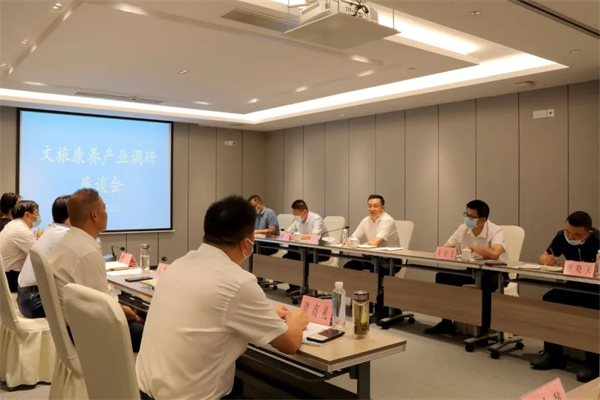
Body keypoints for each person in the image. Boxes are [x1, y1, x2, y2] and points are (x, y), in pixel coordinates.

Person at [136, 196, 309, 400]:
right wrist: (295, 319)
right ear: (246, 243)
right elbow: (289, 344)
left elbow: (212, 309)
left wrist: (266, 313)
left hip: (142, 392)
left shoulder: (178, 265)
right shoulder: (238, 282)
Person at [48, 189, 144, 351]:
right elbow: (107, 308)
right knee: (149, 330)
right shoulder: (87, 252)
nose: (107, 214)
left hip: (73, 325)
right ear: (95, 215)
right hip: (90, 332)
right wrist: (133, 315)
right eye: (104, 209)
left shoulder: (65, 242)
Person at [531, 211, 599, 382]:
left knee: (594, 308)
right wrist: (546, 260)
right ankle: (552, 353)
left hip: (596, 289)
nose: (570, 236)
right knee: (551, 299)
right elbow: (543, 256)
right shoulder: (562, 237)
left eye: (576, 235)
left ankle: (594, 362)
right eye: (568, 231)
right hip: (573, 286)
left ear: (588, 233)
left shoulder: (598, 239)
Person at [425, 199, 507, 335]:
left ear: (482, 220)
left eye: (471, 217)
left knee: (485, 284)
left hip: (496, 274)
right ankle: (446, 323)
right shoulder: (463, 228)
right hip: (473, 271)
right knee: (442, 277)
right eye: (466, 215)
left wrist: (473, 248)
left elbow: (495, 253)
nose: (467, 219)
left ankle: (483, 329)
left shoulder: (495, 231)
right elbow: (446, 247)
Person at [17, 195, 71, 318]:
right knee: (88, 309)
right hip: (35, 300)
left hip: (25, 297)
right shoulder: (65, 235)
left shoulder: (53, 229)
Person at [283, 199, 330, 293]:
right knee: (288, 257)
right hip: (305, 249)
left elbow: (315, 236)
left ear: (304, 212)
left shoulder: (316, 219)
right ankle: (295, 286)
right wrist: (285, 234)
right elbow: (287, 232)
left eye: (296, 214)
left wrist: (297, 236)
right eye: (294, 214)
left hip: (321, 251)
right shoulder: (297, 220)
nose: (295, 217)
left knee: (305, 260)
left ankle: (302, 287)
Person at [345, 194, 400, 272]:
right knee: (349, 266)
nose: (372, 209)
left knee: (374, 273)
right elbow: (353, 237)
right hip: (372, 257)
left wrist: (357, 245)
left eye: (375, 206)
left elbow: (375, 243)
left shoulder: (388, 221)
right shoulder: (366, 220)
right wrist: (346, 241)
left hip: (390, 259)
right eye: (369, 206)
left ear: (382, 208)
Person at [0, 200, 40, 292]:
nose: (38, 216)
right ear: (27, 215)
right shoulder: (21, 230)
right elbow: (39, 256)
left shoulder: (13, 225)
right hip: (12, 279)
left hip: (6, 276)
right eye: (36, 212)